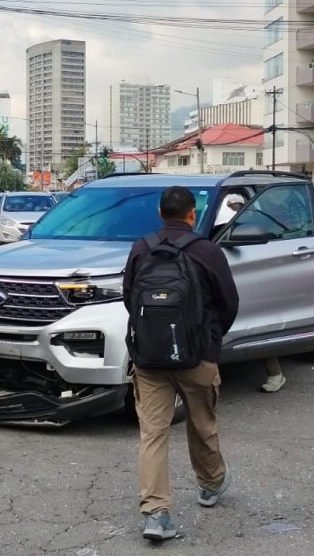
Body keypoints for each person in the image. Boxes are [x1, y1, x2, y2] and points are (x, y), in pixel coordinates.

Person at [123, 186, 240, 542]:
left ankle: (156, 514)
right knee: (202, 423)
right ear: (192, 215)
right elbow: (229, 303)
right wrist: (209, 344)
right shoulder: (207, 251)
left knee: (153, 434)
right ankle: (210, 484)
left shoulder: (141, 248)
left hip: (148, 358)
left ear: (160, 214)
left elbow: (130, 296)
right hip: (197, 355)